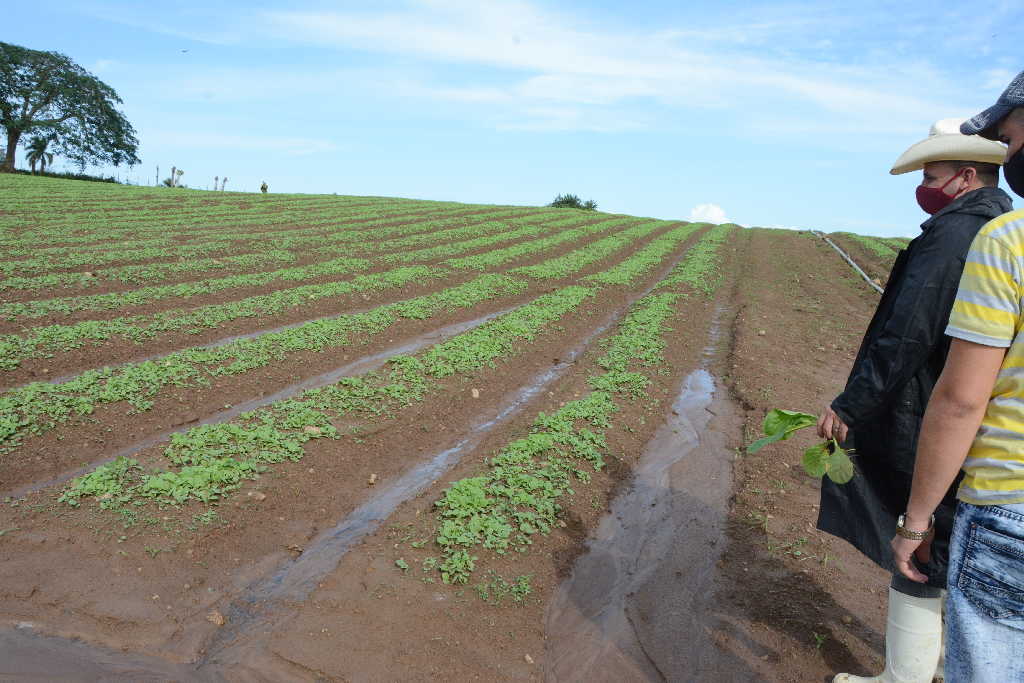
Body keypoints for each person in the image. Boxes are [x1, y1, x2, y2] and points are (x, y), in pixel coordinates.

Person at [816, 118, 1011, 682]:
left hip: (931, 410)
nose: (922, 188)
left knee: (919, 543)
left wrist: (850, 406)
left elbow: (906, 335)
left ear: (967, 175)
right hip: (992, 426)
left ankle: (904, 678)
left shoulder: (954, 236)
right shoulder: (1000, 227)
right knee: (958, 548)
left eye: (932, 176)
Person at [892, 70, 1024, 682]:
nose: (1007, 142)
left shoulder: (1006, 242)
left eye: (1011, 132)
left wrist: (916, 520)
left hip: (1009, 502)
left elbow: (963, 399)